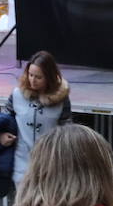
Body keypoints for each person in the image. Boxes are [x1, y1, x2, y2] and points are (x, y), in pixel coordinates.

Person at [5, 50, 72, 184]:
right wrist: (3, 134)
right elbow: (5, 120)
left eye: (38, 77)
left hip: (51, 163)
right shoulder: (17, 94)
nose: (33, 80)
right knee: (23, 202)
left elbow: (67, 130)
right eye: (30, 75)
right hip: (22, 161)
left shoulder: (62, 99)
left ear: (49, 77)